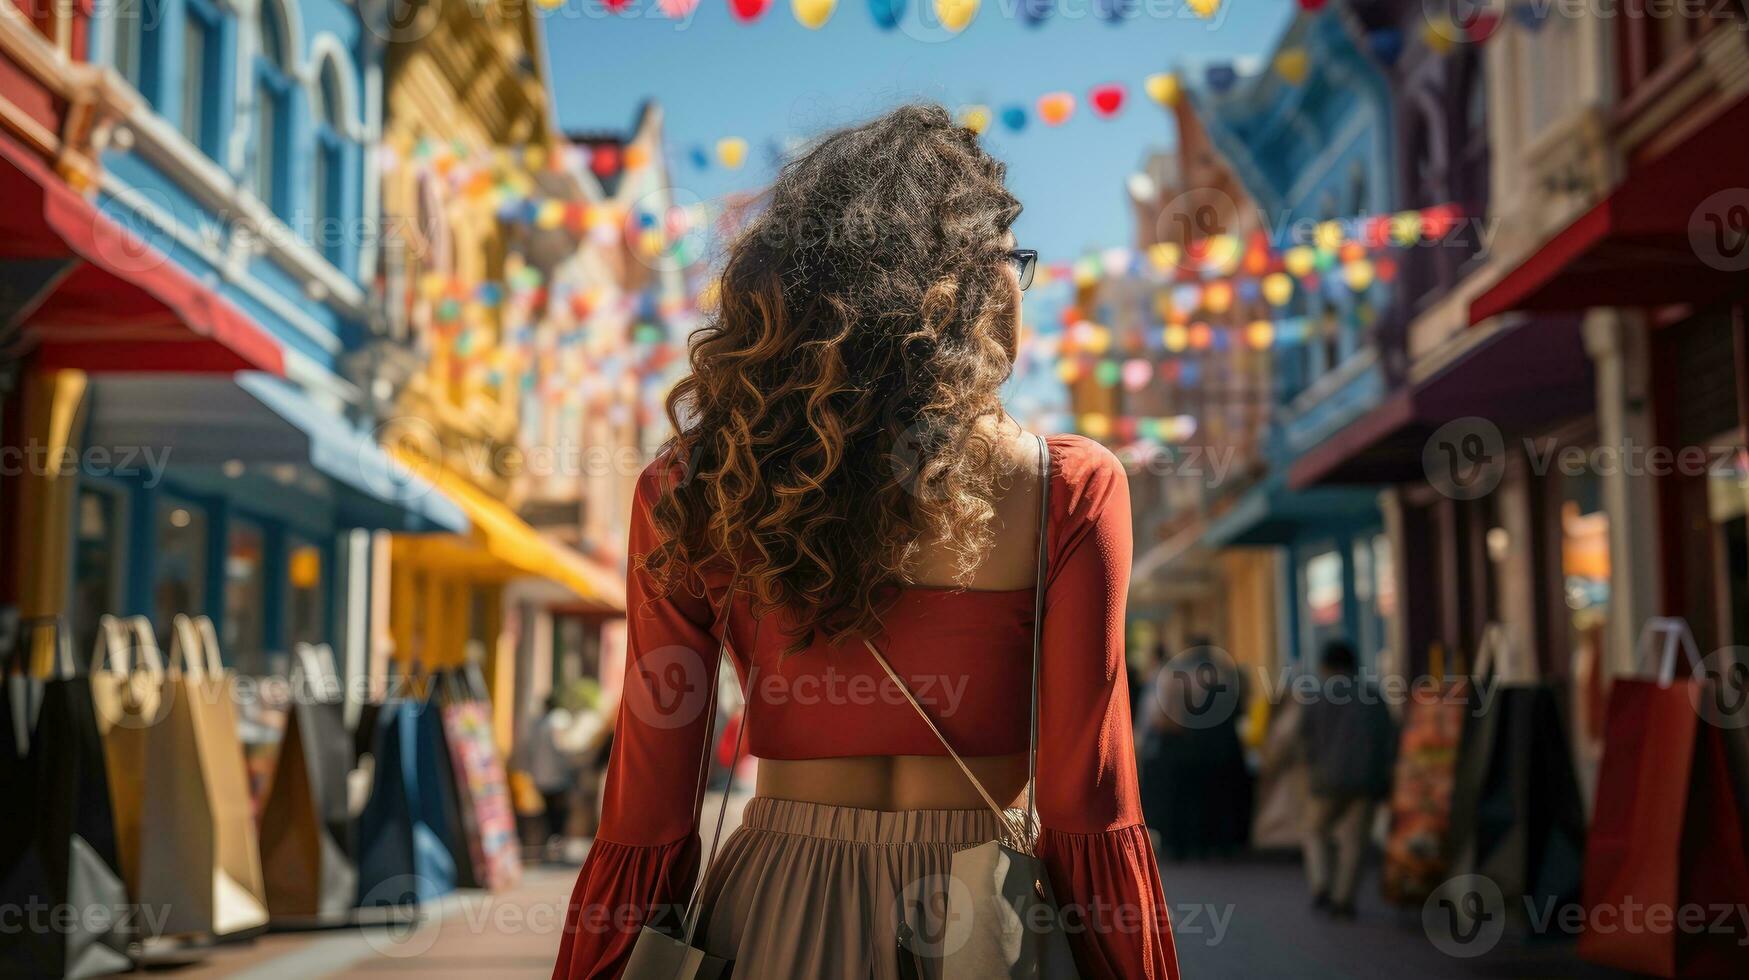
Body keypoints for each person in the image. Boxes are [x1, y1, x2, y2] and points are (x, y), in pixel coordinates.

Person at [553, 105, 1178, 980]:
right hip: (981, 924)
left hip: (774, 908)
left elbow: (649, 803)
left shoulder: (698, 486)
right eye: (1013, 261)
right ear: (969, 283)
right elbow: (1087, 801)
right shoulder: (1067, 488)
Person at [1298, 639, 1397, 919]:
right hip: (1368, 778)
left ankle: (1321, 884)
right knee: (1355, 840)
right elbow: (1390, 737)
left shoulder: (1317, 696)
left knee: (1314, 830)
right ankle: (1344, 898)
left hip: (1327, 779)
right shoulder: (1373, 696)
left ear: (1326, 665)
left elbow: (1304, 738)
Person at [527, 694, 579, 860]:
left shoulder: (539, 722)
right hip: (558, 775)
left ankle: (551, 842)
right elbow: (561, 744)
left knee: (548, 811)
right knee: (560, 812)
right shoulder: (559, 719)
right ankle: (557, 843)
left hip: (542, 775)